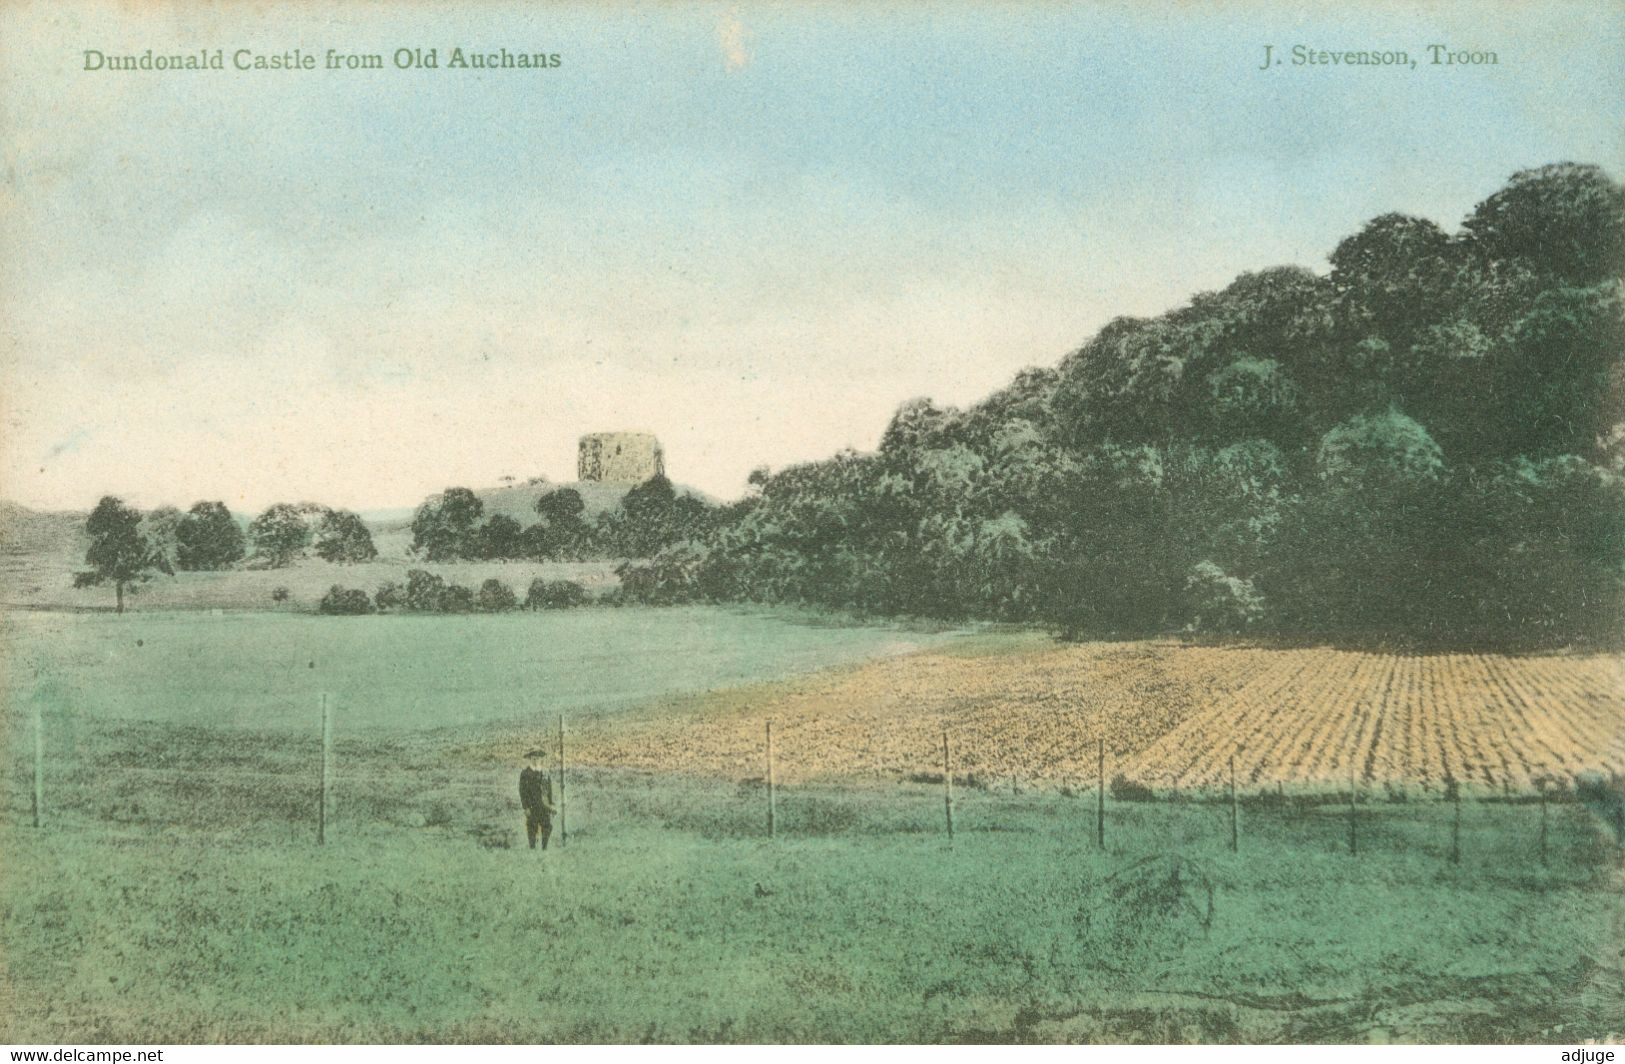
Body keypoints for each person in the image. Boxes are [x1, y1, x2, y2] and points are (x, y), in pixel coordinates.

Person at [519, 750, 556, 850]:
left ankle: (544, 848)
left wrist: (551, 803)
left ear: (541, 759)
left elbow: (549, 790)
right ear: (530, 759)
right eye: (533, 758)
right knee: (532, 827)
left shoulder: (545, 773)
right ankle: (532, 849)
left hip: (544, 805)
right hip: (532, 806)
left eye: (538, 758)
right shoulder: (525, 773)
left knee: (547, 826)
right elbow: (522, 792)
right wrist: (525, 807)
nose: (536, 760)